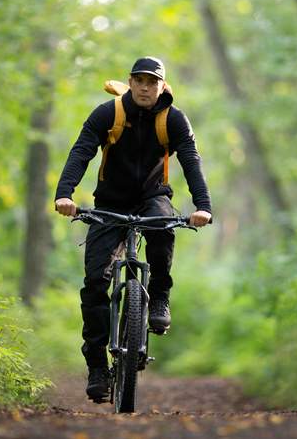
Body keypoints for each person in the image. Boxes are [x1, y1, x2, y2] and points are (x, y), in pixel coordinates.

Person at [54, 57, 213, 399]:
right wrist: (64, 194)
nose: (144, 87)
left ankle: (159, 299)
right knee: (96, 283)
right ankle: (97, 367)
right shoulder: (107, 113)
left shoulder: (173, 120)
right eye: (139, 80)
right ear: (131, 81)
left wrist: (203, 207)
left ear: (162, 86)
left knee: (162, 226)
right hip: (110, 203)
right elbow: (81, 151)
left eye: (151, 82)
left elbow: (191, 162)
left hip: (152, 196)